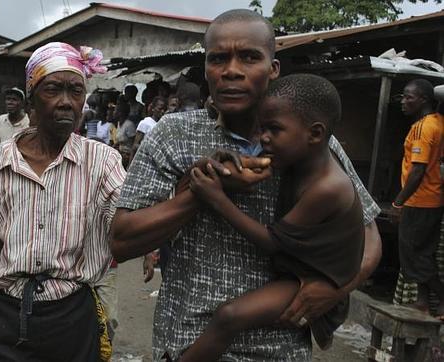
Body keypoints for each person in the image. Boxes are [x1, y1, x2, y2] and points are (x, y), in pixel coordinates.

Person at [110, 10, 382, 361]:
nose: (232, 70)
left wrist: (334, 288)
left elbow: (369, 237)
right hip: (189, 344)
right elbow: (121, 242)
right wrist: (202, 191)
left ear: (273, 69)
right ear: (206, 69)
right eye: (218, 59)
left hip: (280, 349)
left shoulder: (311, 142)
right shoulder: (173, 136)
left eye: (250, 57)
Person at [0, 41, 124, 362]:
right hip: (9, 317)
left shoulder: (101, 161)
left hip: (73, 316)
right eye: (54, 89)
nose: (66, 102)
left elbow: (126, 218)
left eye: (76, 91)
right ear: (32, 96)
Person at [181, 74, 364, 361]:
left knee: (229, 317)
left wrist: (217, 199)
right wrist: (226, 162)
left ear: (315, 134)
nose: (261, 138)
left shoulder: (327, 187)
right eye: (261, 128)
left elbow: (272, 242)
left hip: (313, 282)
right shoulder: (300, 157)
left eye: (273, 130)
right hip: (299, 271)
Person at [391, 79, 444, 316]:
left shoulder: (424, 128)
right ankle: (423, 301)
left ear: (423, 100)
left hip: (419, 201)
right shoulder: (438, 122)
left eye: (408, 97)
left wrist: (398, 203)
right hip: (433, 199)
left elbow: (417, 171)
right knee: (424, 253)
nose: (403, 102)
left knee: (414, 256)